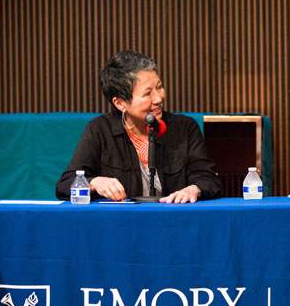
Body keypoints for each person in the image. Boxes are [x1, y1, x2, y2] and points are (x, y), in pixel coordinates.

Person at [56, 51, 222, 203]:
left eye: (159, 87)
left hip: (174, 220)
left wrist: (194, 189)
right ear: (120, 103)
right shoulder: (100, 129)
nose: (158, 98)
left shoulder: (185, 127)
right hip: (123, 223)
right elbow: (66, 184)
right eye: (147, 93)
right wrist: (94, 182)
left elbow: (208, 179)